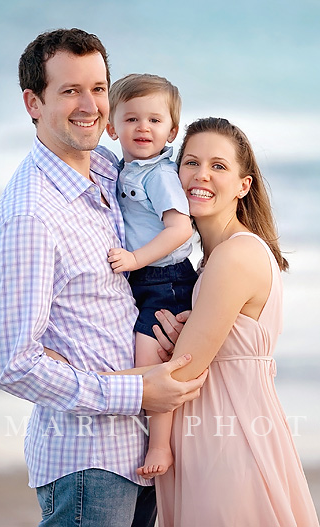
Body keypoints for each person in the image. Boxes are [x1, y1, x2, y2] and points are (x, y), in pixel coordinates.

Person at [0, 28, 207, 527]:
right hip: (87, 460)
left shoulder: (110, 170)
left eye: (99, 89)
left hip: (141, 451)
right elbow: (13, 365)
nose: (91, 106)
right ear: (33, 103)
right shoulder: (32, 214)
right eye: (70, 91)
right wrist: (137, 391)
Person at [152, 117, 320, 526]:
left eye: (219, 166)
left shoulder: (235, 256)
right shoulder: (209, 262)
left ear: (243, 186)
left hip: (228, 440)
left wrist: (80, 376)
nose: (201, 175)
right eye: (190, 163)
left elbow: (183, 373)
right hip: (217, 432)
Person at [104, 73, 197, 479]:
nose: (143, 128)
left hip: (166, 277)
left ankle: (160, 444)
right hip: (144, 277)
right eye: (131, 119)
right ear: (110, 127)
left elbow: (181, 229)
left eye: (155, 121)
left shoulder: (159, 175)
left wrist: (135, 258)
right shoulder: (122, 168)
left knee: (150, 358)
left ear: (172, 130)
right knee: (141, 354)